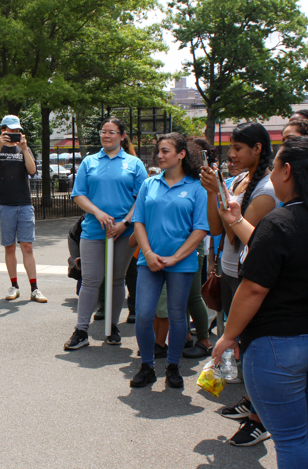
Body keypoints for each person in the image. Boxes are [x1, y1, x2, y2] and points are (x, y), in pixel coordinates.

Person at [212, 136, 308, 469]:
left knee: (290, 438)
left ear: (287, 171)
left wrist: (228, 335)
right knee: (303, 427)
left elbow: (253, 288)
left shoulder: (280, 223)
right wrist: (237, 219)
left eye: (277, 163)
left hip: (278, 346)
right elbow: (280, 252)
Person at [201, 121, 280, 446]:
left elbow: (237, 232)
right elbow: (216, 228)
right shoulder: (238, 180)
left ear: (257, 149)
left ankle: (261, 419)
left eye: (237, 148)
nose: (230, 155)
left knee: (252, 347)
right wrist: (215, 191)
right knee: (239, 344)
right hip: (231, 270)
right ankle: (253, 403)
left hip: (252, 276)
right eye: (230, 148)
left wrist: (221, 192)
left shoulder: (267, 188)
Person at [129, 132, 208, 388]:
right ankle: (147, 366)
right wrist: (149, 254)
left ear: (181, 154)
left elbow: (200, 229)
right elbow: (138, 221)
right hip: (149, 262)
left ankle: (173, 366)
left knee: (176, 316)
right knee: (143, 315)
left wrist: (175, 257)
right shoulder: (149, 184)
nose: (159, 156)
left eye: (165, 151)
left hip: (182, 264)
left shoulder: (197, 188)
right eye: (158, 151)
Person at [63, 118, 146, 350]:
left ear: (122, 136)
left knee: (117, 279)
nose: (106, 135)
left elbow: (143, 198)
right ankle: (81, 330)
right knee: (90, 279)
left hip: (123, 232)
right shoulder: (89, 162)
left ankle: (112, 326)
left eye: (112, 132)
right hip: (92, 231)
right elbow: (79, 194)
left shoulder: (134, 163)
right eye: (103, 132)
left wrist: (125, 223)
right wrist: (98, 213)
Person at [0, 114, 47, 303]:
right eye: (10, 130)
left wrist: (24, 149)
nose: (14, 133)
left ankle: (35, 288)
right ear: (2, 130)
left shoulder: (24, 149)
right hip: (5, 204)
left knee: (27, 246)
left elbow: (32, 170)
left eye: (16, 130)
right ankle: (14, 285)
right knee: (10, 247)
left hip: (24, 203)